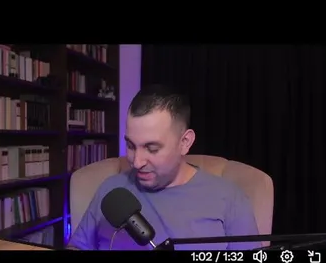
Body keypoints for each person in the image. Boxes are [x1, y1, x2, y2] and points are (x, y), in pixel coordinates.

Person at [68, 85, 261, 250]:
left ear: (185, 142)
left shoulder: (230, 199)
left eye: (152, 148)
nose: (137, 162)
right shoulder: (111, 191)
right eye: (131, 146)